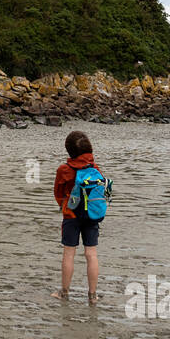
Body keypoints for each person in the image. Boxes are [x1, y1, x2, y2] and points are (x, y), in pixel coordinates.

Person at [51, 130, 106, 304]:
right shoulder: (95, 169)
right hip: (92, 215)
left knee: (69, 254)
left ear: (69, 151)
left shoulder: (64, 169)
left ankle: (64, 292)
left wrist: (64, 206)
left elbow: (58, 194)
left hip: (71, 216)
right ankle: (92, 295)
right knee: (91, 254)